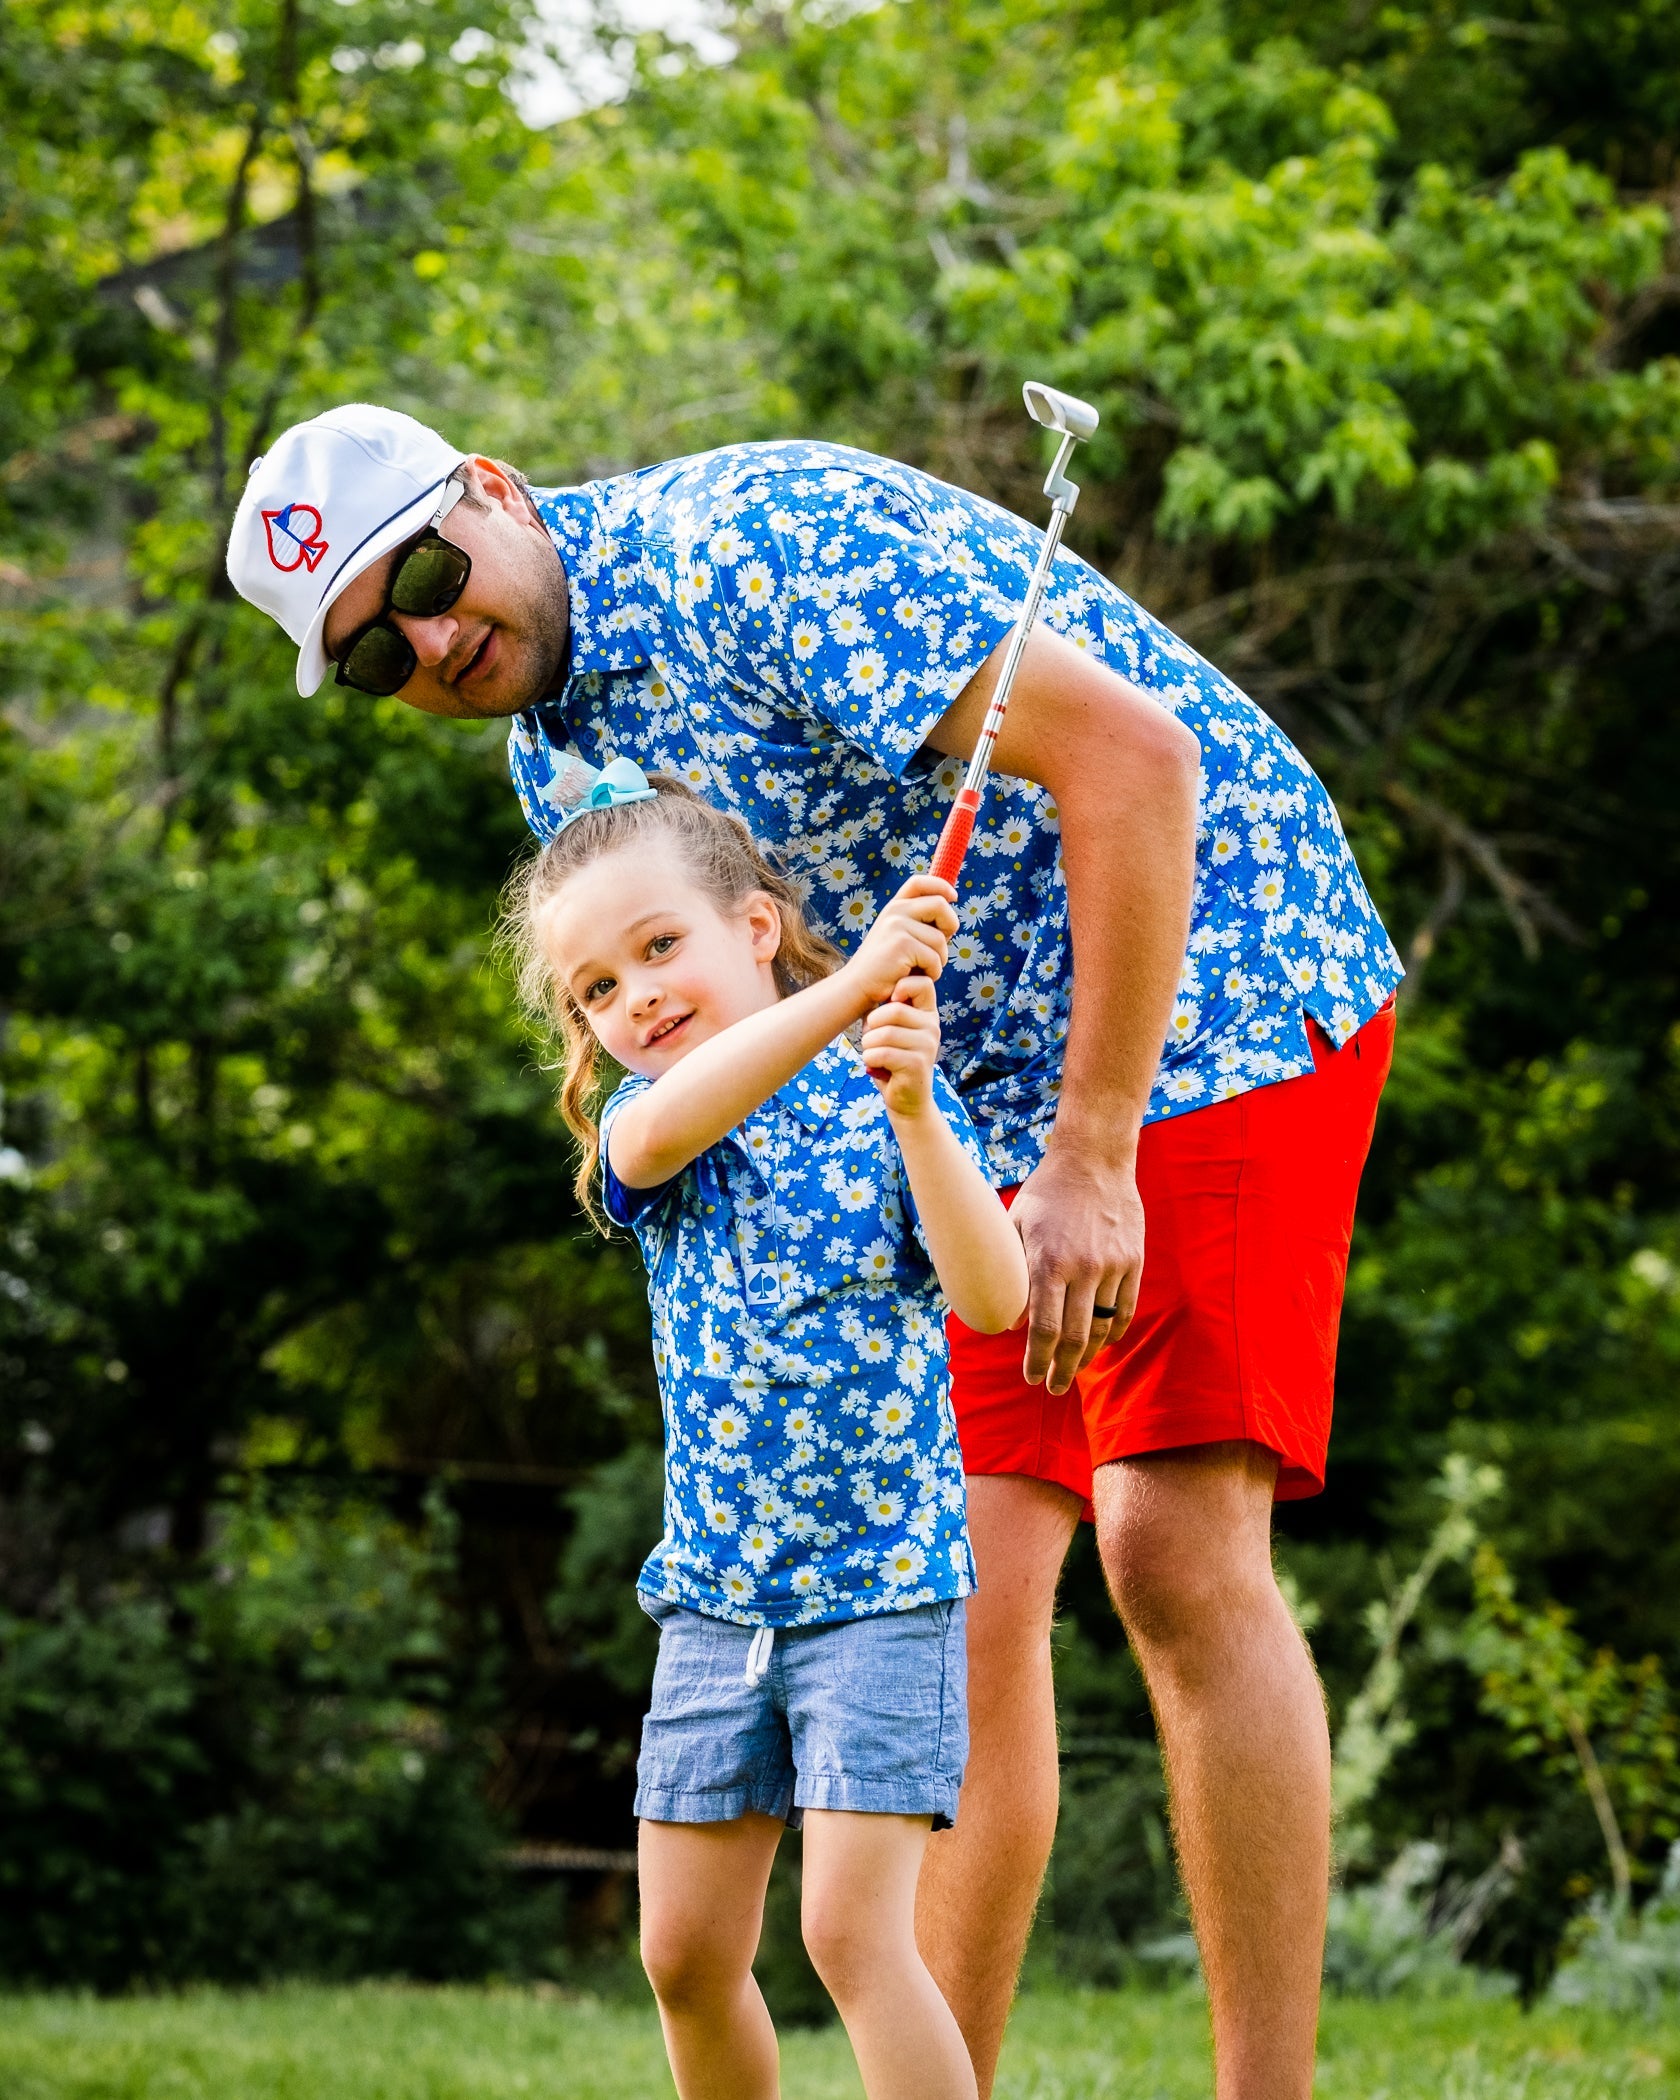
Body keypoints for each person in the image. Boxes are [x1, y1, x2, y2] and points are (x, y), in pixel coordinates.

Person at [228, 403, 1404, 2100]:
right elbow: (747, 1030)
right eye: (369, 654)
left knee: (1165, 1542)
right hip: (950, 1096)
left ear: (489, 491)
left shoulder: (757, 546)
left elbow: (1138, 760)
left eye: (422, 571)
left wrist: (1090, 1149)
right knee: (964, 1590)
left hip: (1204, 979)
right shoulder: (557, 765)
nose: (425, 637)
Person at [501, 760, 1028, 2100]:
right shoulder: (648, 1129)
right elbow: (659, 1134)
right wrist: (849, 991)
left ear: (751, 927)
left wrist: (912, 1109)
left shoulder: (887, 1097)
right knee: (680, 1952)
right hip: (718, 1607)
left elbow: (995, 1293)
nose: (637, 1000)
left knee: (851, 1933)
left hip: (883, 1595)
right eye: (597, 991)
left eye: (660, 946)